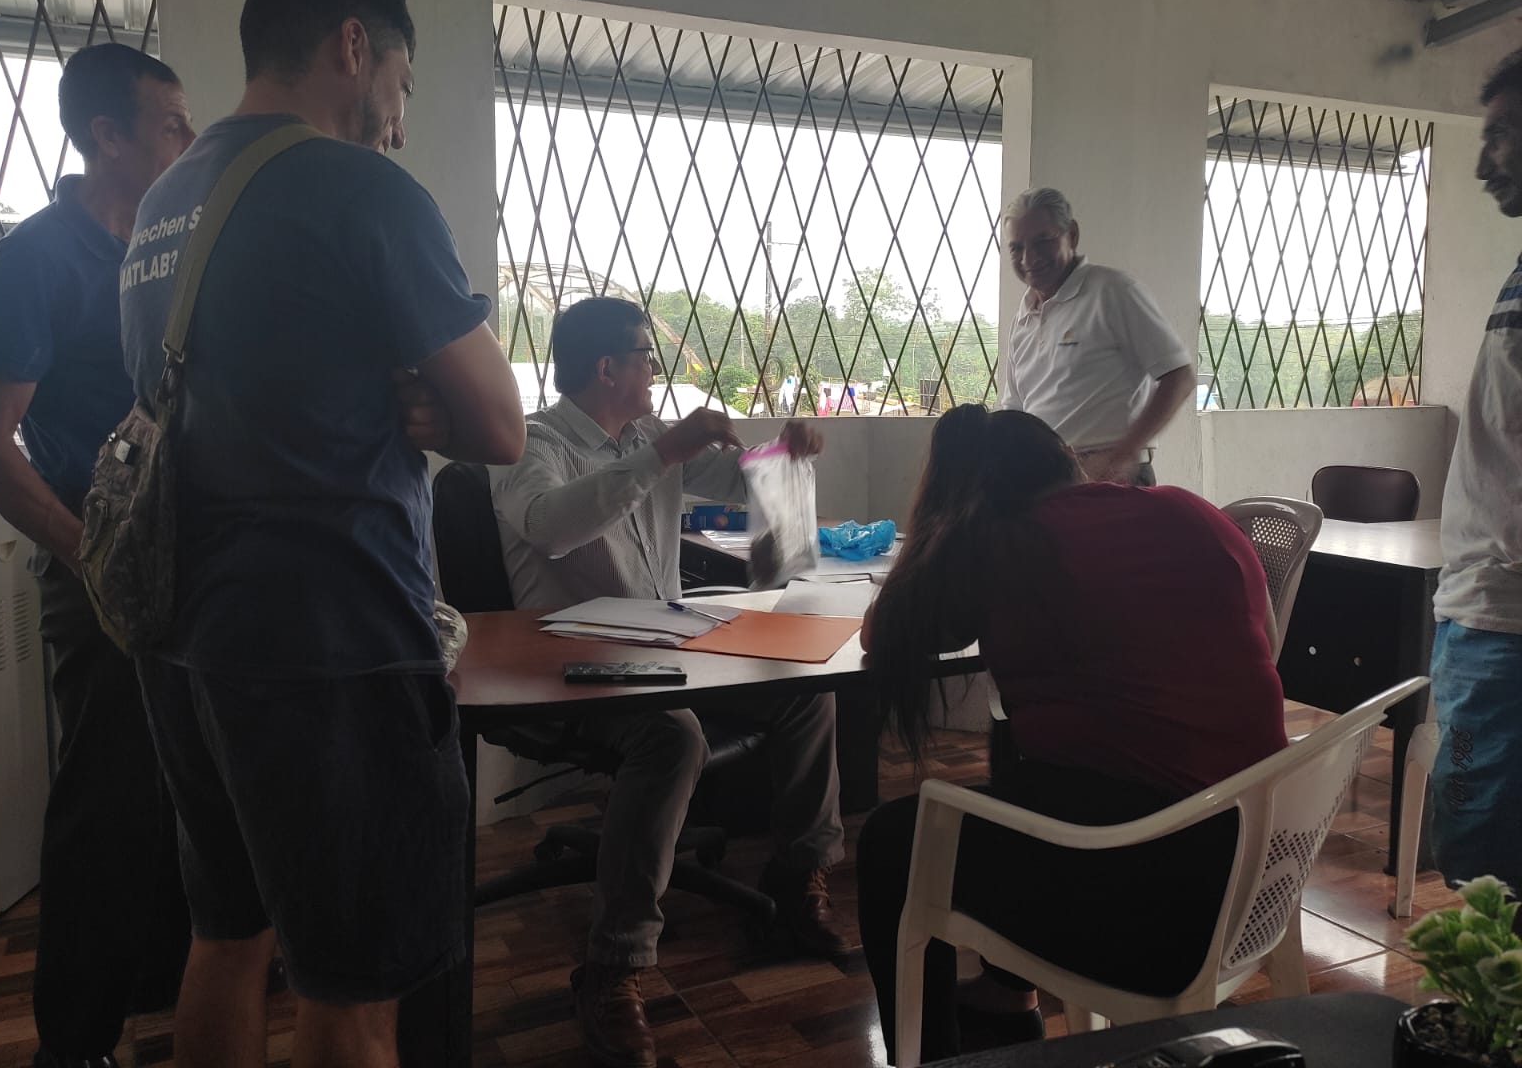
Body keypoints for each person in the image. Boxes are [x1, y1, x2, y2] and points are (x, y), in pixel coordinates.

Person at [116, 0, 524, 1068]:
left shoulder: (165, 204)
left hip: (183, 627)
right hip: (330, 635)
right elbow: (502, 426)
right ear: (353, 45)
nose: (399, 118)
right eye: (403, 83)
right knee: (352, 987)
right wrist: (437, 408)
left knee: (228, 933)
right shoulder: (360, 189)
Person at [855, 406, 1286, 1064]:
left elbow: (883, 635)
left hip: (1157, 914)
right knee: (1023, 761)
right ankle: (1007, 999)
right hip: (1263, 868)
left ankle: (933, 1059)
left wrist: (938, 536)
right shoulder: (1190, 509)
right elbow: (1262, 641)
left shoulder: (1006, 546)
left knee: (894, 843)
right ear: (1067, 461)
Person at [490, 296, 845, 1068]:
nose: (655, 371)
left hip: (667, 645)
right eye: (646, 357)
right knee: (672, 737)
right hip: (571, 665)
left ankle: (798, 876)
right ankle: (613, 968)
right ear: (607, 367)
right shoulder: (533, 442)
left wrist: (785, 455)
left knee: (808, 686)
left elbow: (745, 484)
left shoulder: (647, 437)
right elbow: (551, 525)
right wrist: (663, 453)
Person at [0, 42, 195, 1068]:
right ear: (107, 136)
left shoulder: (172, 249)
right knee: (107, 807)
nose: (189, 140)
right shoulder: (36, 260)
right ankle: (75, 1043)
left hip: (190, 563)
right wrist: (90, 552)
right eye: (171, 124)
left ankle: (167, 991)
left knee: (187, 791)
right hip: (98, 572)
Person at [1430, 46, 1522, 927]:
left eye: (1500, 135)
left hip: (1506, 619)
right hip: (1484, 605)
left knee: (1484, 873)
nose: (1481, 161)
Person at [998, 187, 1194, 485]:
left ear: (1072, 235)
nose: (1029, 258)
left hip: (1111, 480)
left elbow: (1179, 376)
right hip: (1048, 480)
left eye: (1043, 241)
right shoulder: (1023, 315)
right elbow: (1015, 410)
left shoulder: (1113, 292)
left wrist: (1123, 455)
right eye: (1016, 248)